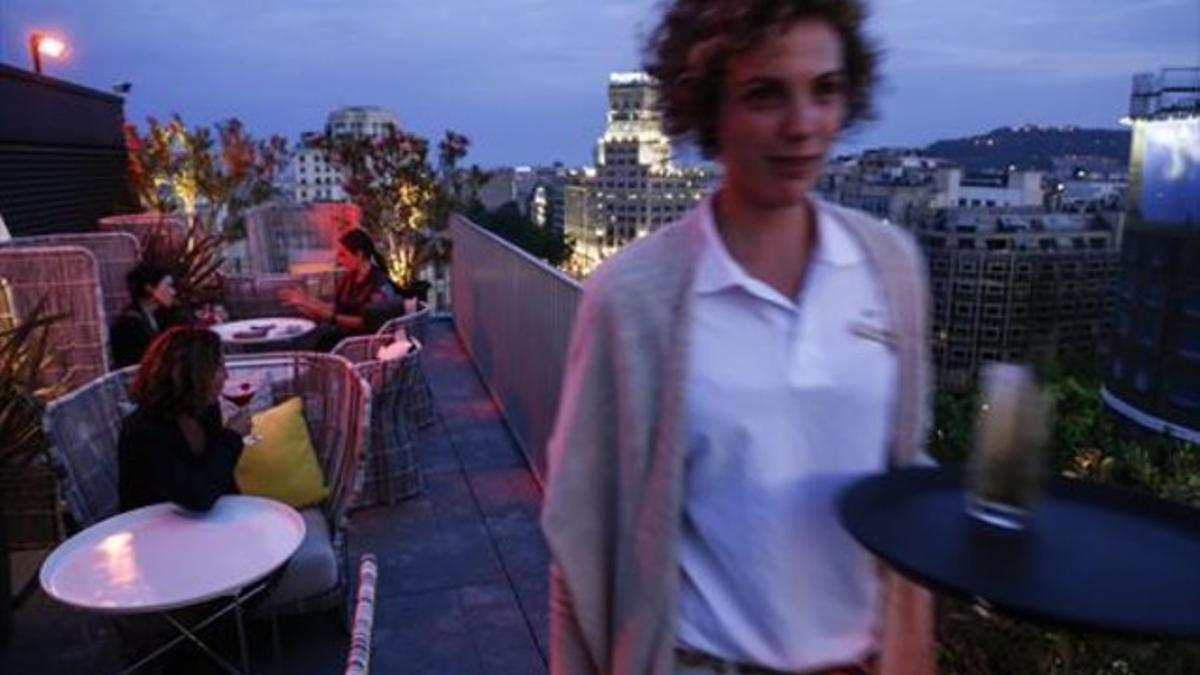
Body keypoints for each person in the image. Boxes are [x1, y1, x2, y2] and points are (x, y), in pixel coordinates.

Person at [541, 2, 935, 674]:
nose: (803, 125)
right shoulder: (636, 296)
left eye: (825, 90)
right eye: (764, 94)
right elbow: (583, 538)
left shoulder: (890, 267)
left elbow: (906, 488)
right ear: (708, 109)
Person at [117, 326, 248, 513]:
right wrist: (233, 436)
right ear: (192, 374)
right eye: (219, 367)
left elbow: (220, 480)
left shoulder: (205, 410)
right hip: (154, 530)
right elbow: (197, 496)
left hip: (201, 524)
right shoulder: (143, 430)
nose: (226, 376)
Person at [279, 228, 398, 350]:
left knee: (311, 343)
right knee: (300, 340)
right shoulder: (349, 279)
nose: (339, 260)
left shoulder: (379, 286)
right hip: (340, 335)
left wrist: (327, 314)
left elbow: (366, 324)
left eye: (343, 255)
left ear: (359, 255)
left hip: (358, 344)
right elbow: (337, 309)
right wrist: (307, 303)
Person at [109, 262, 179, 369]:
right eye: (168, 286)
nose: (173, 292)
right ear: (149, 288)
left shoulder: (156, 316)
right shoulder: (129, 326)